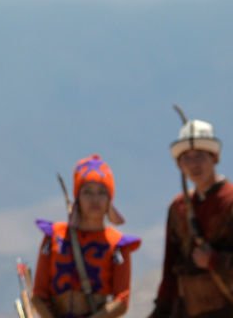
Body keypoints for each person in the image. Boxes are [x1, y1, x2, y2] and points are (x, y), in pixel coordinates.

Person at [30, 154, 140, 318]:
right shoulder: (53, 237)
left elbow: (122, 301)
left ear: (110, 199)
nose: (95, 199)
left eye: (102, 192)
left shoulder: (118, 245)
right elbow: (39, 295)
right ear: (78, 197)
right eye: (87, 192)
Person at [149, 119, 233, 317]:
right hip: (187, 309)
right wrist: (161, 310)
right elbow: (170, 268)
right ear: (179, 164)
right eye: (186, 157)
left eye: (200, 156)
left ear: (215, 158)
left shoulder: (230, 201)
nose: (194, 164)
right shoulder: (178, 208)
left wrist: (214, 260)